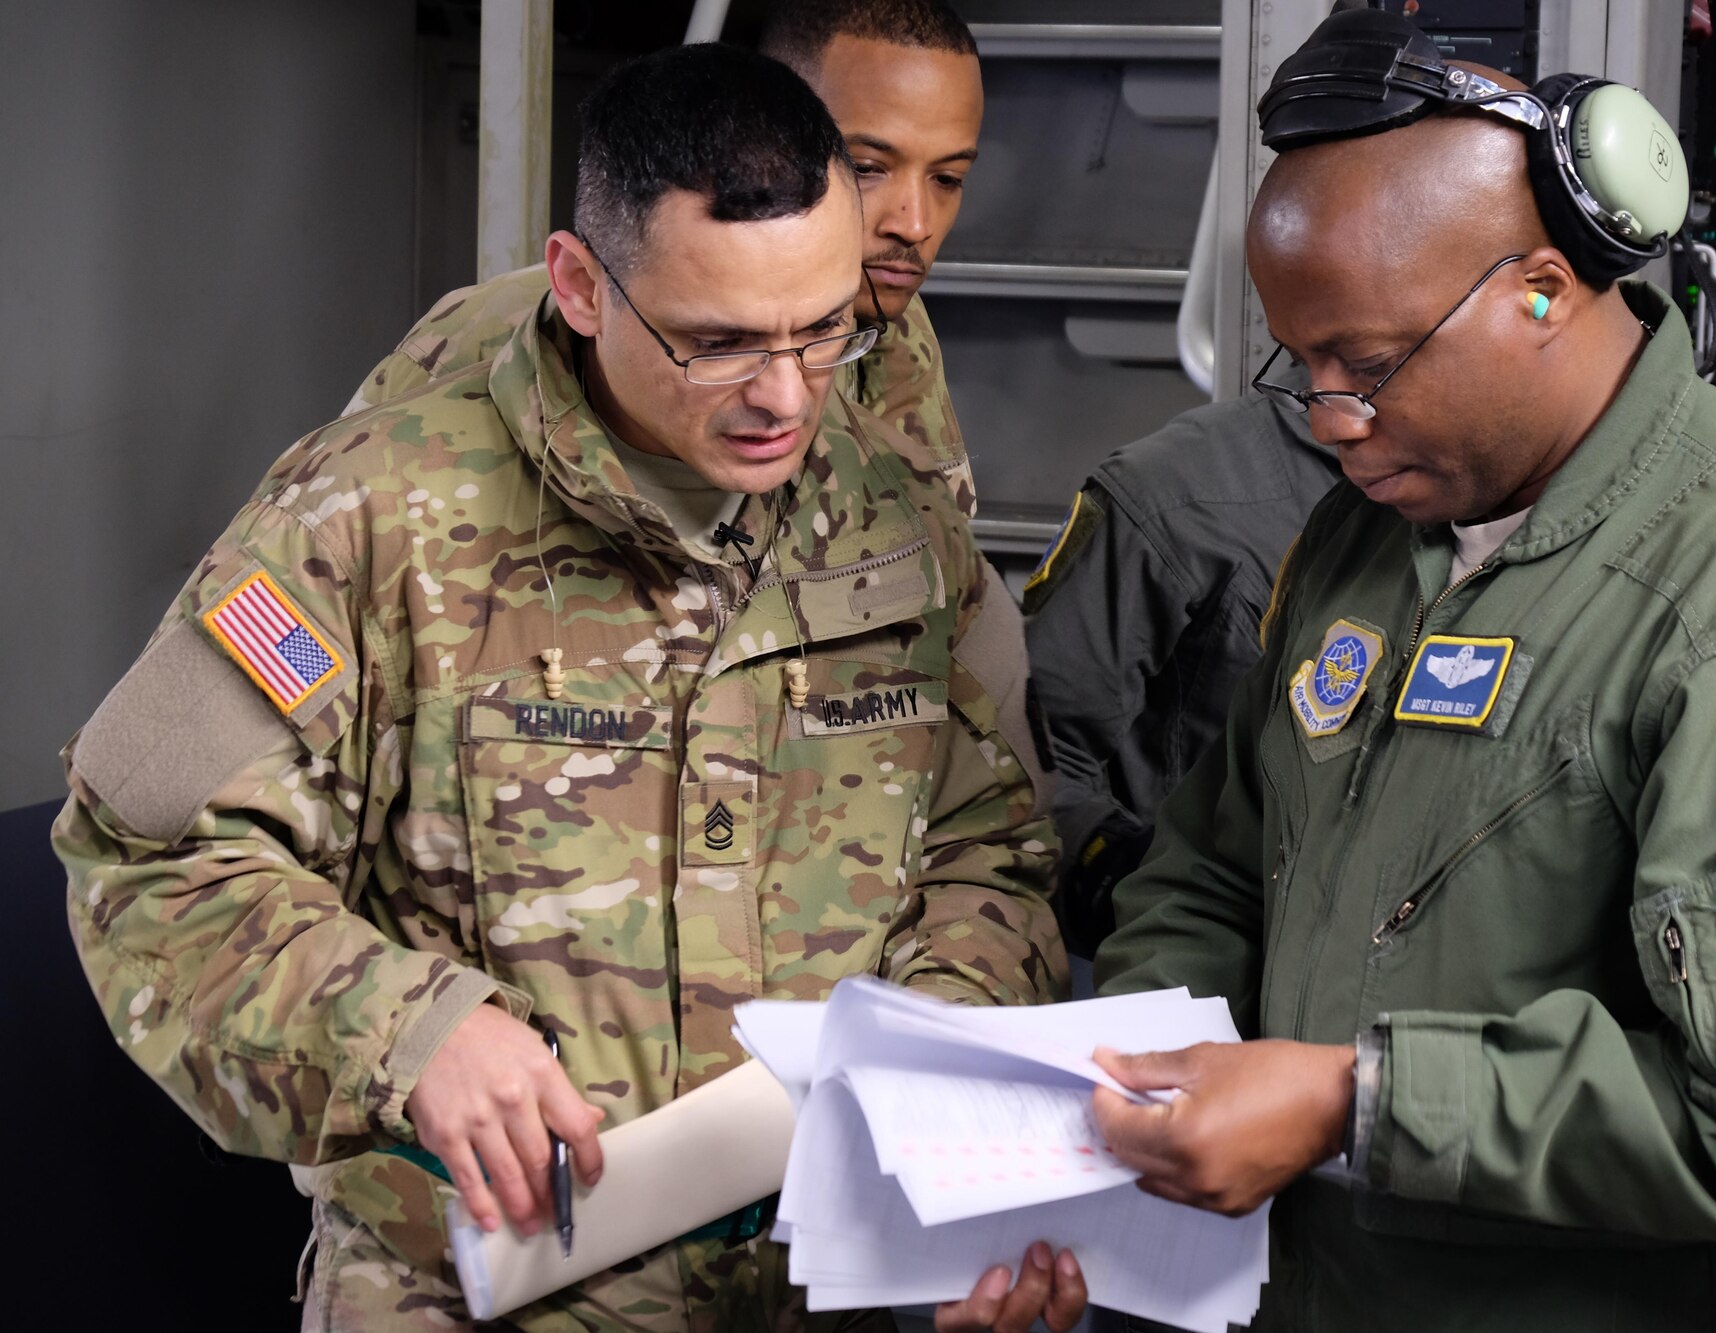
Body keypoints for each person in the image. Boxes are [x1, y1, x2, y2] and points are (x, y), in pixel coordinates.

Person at [947, 12, 1716, 1331]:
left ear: (1543, 291)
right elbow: (1218, 855)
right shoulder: (1368, 542)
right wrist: (1149, 1071)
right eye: (1301, 365)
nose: (1329, 421)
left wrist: (1352, 1102)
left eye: (1369, 366)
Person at [57, 44, 1064, 1332]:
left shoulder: (899, 524)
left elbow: (993, 851)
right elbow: (144, 861)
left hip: (832, 1290)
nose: (781, 395)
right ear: (582, 287)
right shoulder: (373, 516)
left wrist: (936, 1061)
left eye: (823, 331)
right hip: (476, 1293)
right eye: (717, 343)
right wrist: (406, 1032)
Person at [350, 0, 983, 517]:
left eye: (948, 178)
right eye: (866, 168)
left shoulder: (898, 331)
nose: (915, 224)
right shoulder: (487, 342)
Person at [1022, 385, 1335, 957]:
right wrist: (1129, 884)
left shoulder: (1525, 507)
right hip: (1209, 959)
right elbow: (1031, 751)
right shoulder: (1180, 492)